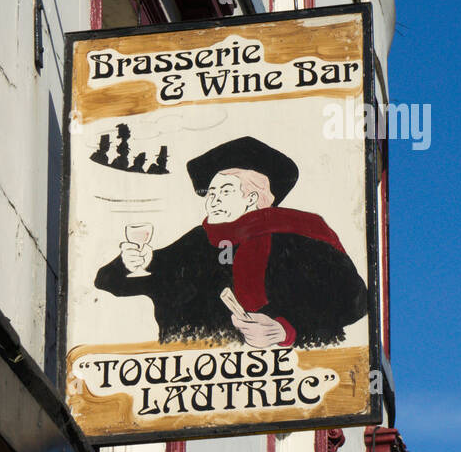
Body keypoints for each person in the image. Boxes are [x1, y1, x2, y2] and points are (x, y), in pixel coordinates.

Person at [94, 137, 367, 348]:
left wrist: (286, 330)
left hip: (286, 383)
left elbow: (353, 301)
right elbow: (109, 282)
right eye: (211, 192)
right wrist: (129, 262)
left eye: (225, 191)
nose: (213, 200)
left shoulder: (302, 239)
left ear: (251, 198)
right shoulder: (196, 242)